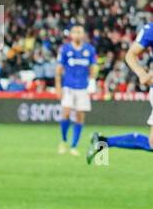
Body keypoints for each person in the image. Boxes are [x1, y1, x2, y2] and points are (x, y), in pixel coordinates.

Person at [88, 20, 153, 163]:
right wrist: (142, 73)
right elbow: (130, 55)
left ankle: (102, 142)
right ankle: (103, 142)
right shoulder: (150, 29)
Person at [55, 23, 97, 156]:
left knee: (80, 116)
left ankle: (74, 145)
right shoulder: (65, 49)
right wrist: (58, 86)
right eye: (75, 32)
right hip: (68, 86)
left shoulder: (90, 49)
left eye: (80, 32)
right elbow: (59, 69)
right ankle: (63, 140)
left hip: (82, 88)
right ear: (71, 35)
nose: (78, 34)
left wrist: (92, 82)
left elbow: (93, 67)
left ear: (83, 35)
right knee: (66, 113)